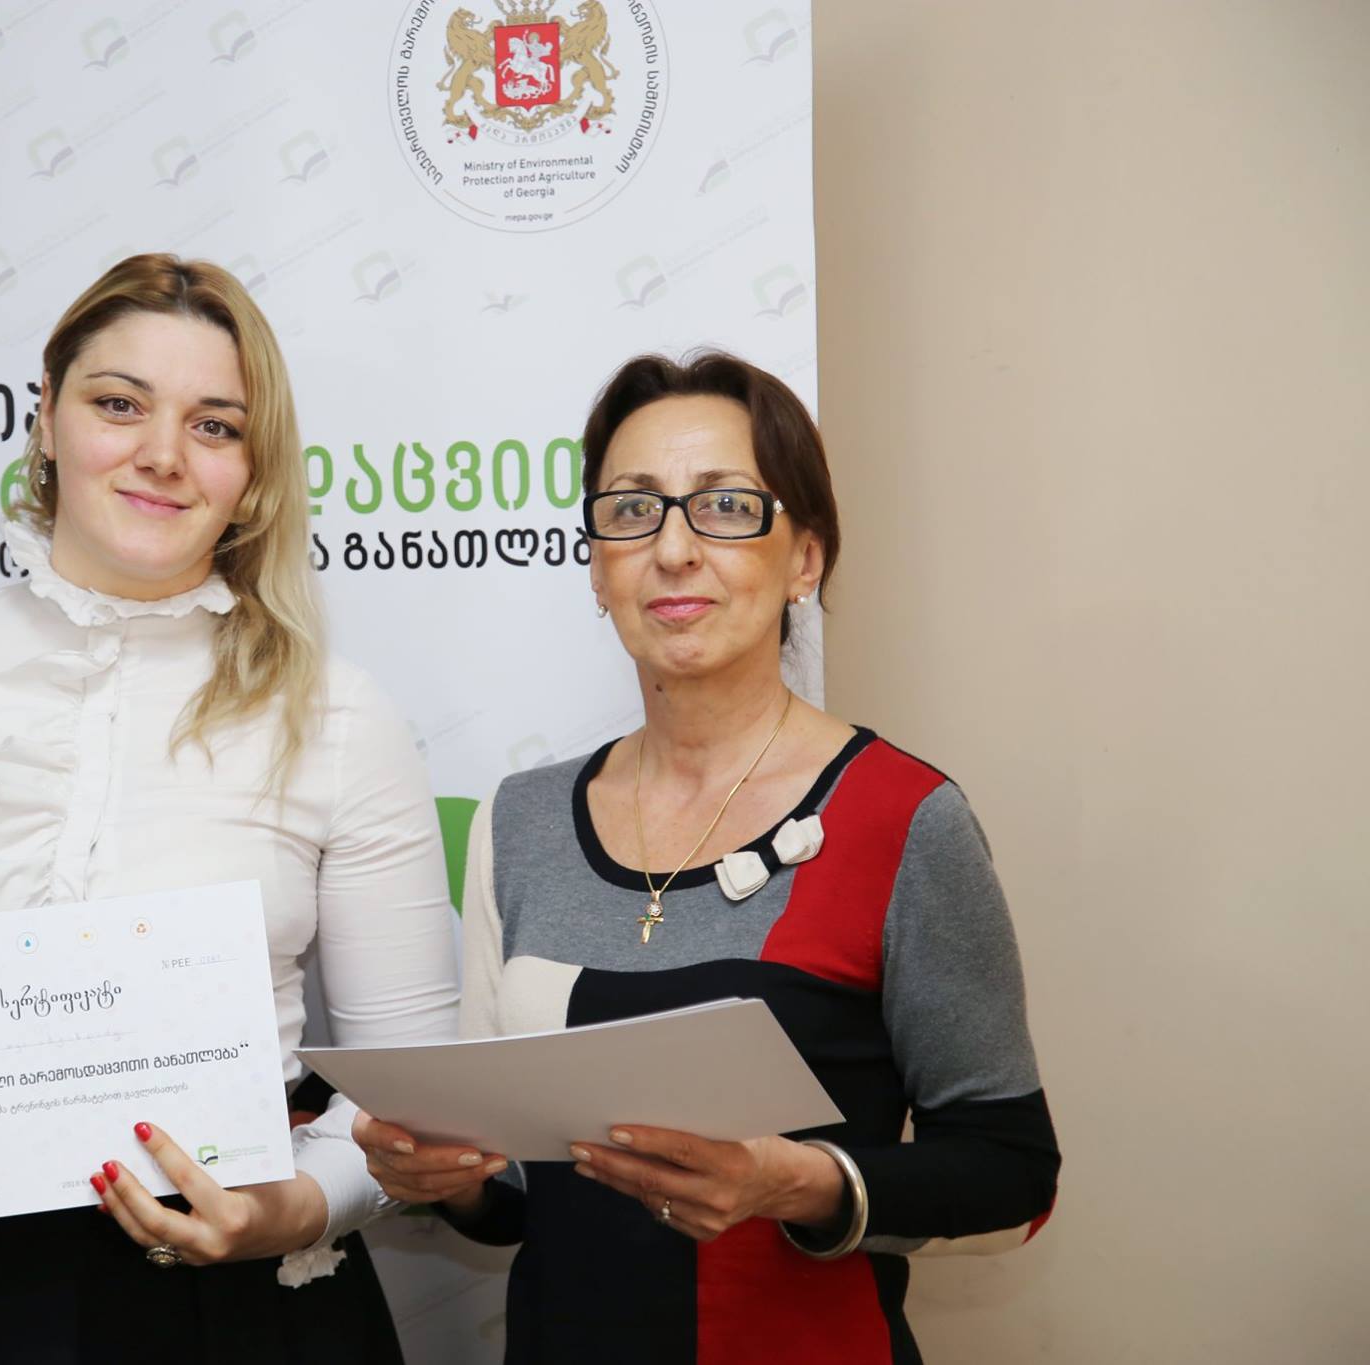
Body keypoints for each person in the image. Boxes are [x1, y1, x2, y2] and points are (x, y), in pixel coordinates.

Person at [0, 254, 458, 1362]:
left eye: (214, 425)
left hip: (233, 1302)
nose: (162, 453)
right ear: (45, 420)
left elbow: (411, 1097)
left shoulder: (341, 715)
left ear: (253, 470)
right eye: (118, 405)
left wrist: (293, 1208)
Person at [352, 350, 1060, 1363]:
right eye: (632, 510)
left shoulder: (903, 818)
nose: (673, 549)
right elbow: (511, 1193)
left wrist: (797, 1185)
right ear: (596, 564)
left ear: (804, 559)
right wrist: (448, 1179)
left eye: (725, 506)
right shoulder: (523, 820)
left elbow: (1010, 1170)